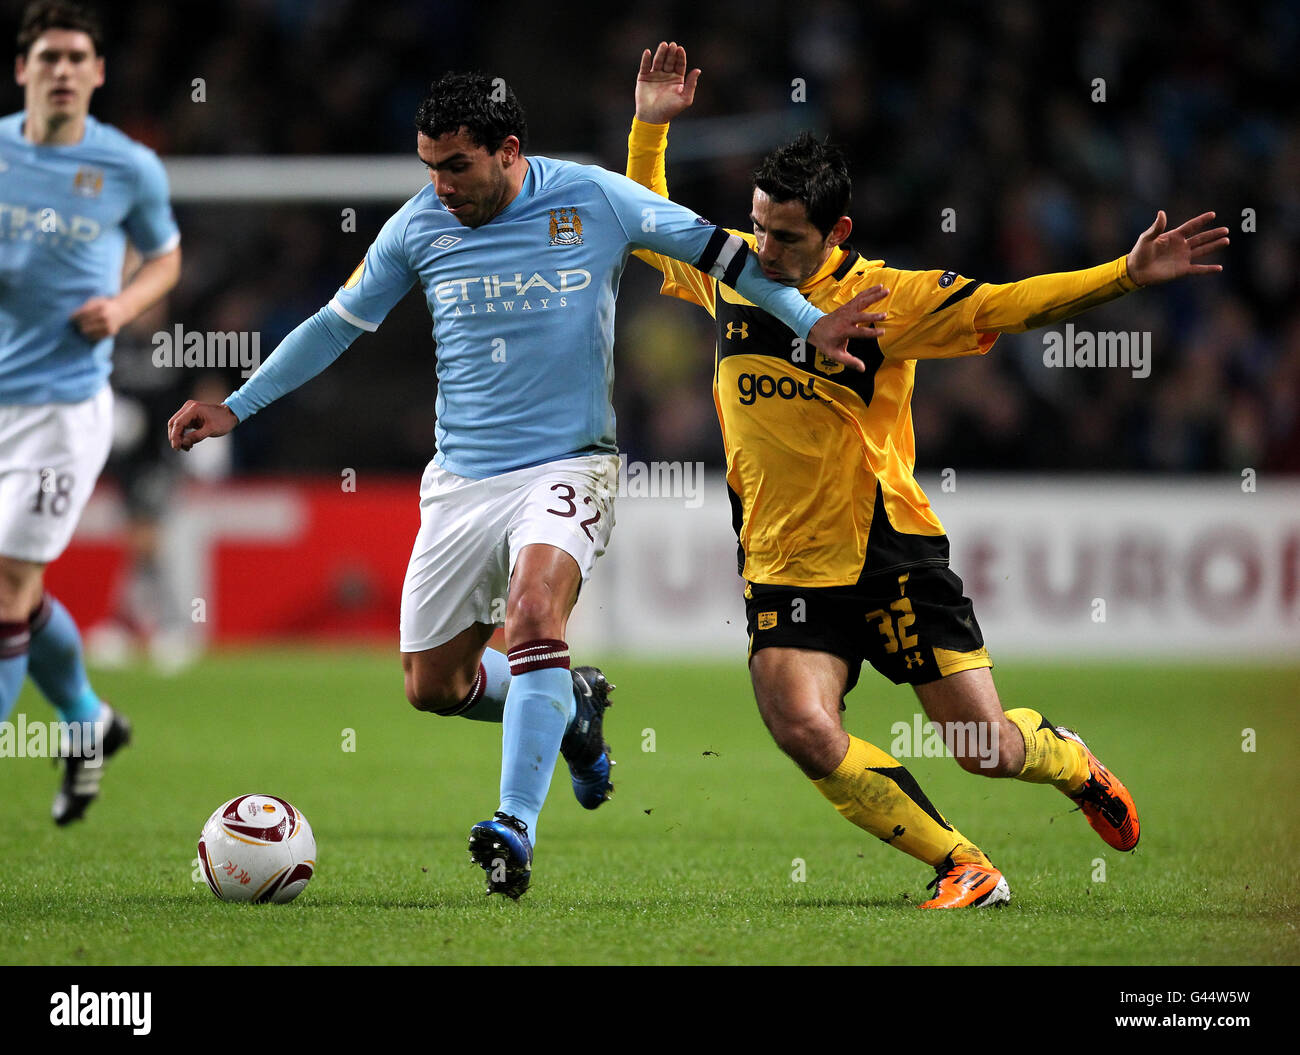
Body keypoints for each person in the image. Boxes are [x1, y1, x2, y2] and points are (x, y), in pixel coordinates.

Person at [167, 70, 882, 899]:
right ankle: (571, 704)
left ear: (509, 152)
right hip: (462, 480)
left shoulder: (595, 199)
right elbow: (337, 323)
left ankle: (514, 824)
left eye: (457, 166)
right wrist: (238, 406)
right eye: (430, 165)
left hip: (570, 460)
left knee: (535, 611)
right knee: (433, 687)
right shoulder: (418, 226)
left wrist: (807, 319)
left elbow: (726, 256)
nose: (441, 185)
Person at [626, 42, 1228, 907]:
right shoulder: (733, 272)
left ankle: (1065, 755)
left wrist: (1124, 275)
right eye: (757, 223)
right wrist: (650, 127)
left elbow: (1007, 303)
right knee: (799, 723)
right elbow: (648, 227)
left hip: (887, 551)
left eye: (784, 235)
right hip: (784, 558)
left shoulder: (886, 299)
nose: (763, 246)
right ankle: (962, 863)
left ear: (835, 233)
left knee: (984, 749)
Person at [0, 1, 181, 823]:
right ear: (23, 71)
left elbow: (167, 254)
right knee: (16, 594)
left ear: (98, 73)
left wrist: (124, 302)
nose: (64, 70)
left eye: (78, 57)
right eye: (49, 57)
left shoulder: (129, 167)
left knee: (7, 585)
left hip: (63, 410)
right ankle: (87, 720)